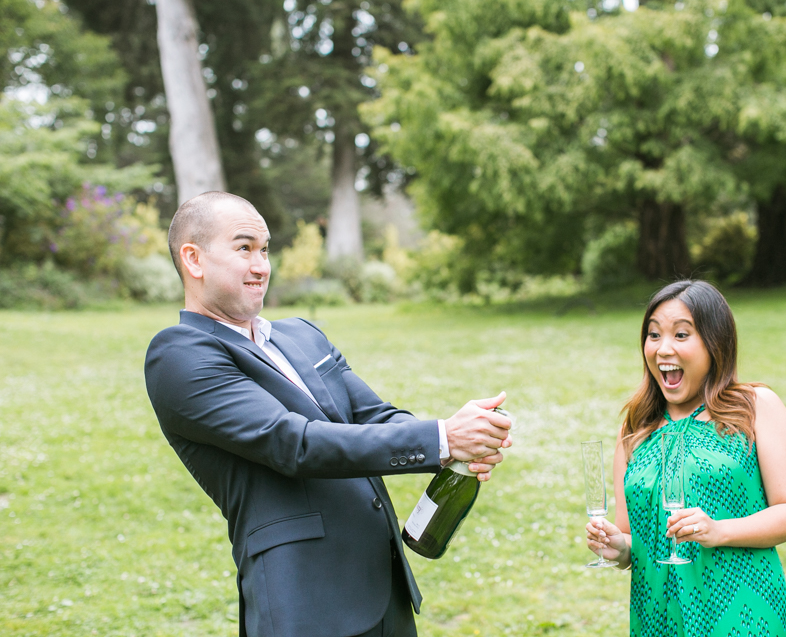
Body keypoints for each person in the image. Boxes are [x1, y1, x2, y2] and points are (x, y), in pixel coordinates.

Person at [144, 191, 513, 637]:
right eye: (244, 248)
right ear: (193, 259)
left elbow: (374, 416)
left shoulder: (301, 335)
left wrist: (457, 440)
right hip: (303, 601)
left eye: (264, 249)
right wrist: (442, 438)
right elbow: (293, 443)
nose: (261, 265)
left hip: (384, 589)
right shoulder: (180, 355)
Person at [586, 280, 786, 637]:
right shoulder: (636, 426)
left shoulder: (755, 407)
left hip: (741, 612)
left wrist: (719, 530)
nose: (663, 349)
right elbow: (631, 539)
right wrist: (618, 548)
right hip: (655, 614)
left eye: (682, 335)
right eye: (654, 335)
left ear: (714, 343)